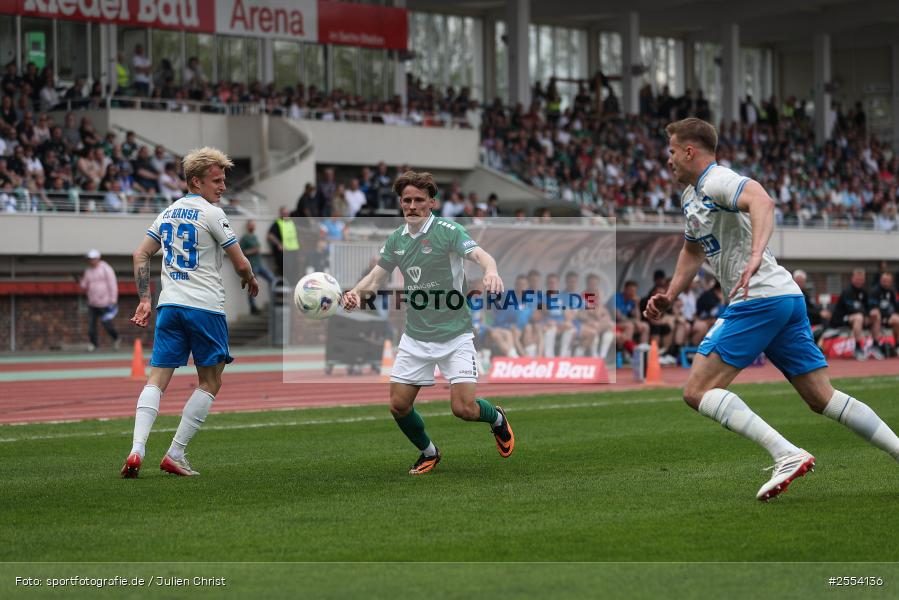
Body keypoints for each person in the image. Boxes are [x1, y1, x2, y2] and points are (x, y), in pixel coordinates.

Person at [644, 118, 899, 501]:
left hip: (759, 297)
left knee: (697, 390)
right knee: (821, 397)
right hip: (783, 298)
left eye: (671, 152)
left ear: (689, 151)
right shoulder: (689, 197)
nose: (668, 161)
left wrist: (756, 253)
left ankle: (786, 454)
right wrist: (671, 293)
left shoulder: (716, 180)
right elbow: (693, 250)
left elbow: (761, 199)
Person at [342, 170, 514, 475]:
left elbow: (481, 255)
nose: (411, 205)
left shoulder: (449, 231)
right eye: (406, 200)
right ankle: (429, 452)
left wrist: (491, 271)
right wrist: (356, 293)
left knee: (464, 409)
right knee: (398, 405)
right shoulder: (396, 239)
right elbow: (375, 277)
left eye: (419, 200)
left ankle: (497, 418)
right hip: (416, 337)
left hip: (455, 335)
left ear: (431, 203)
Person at [121, 147, 258, 479]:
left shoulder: (167, 213)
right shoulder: (211, 213)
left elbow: (141, 254)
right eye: (216, 180)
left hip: (169, 306)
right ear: (196, 181)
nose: (222, 187)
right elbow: (240, 261)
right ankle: (175, 454)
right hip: (205, 308)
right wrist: (250, 279)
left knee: (157, 378)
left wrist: (143, 299)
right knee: (210, 381)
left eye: (224, 180)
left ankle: (136, 450)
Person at [829, 268, 882, 361]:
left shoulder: (864, 292)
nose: (859, 281)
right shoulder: (847, 292)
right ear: (852, 278)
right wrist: (865, 315)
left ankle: (875, 345)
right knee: (859, 317)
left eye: (861, 280)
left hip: (860, 318)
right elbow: (852, 309)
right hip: (842, 319)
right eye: (857, 279)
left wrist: (872, 312)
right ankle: (858, 347)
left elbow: (868, 307)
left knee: (876, 316)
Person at [78, 249, 120, 351]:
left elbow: (112, 284)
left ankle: (116, 338)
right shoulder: (88, 271)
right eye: (89, 259)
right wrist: (79, 281)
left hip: (105, 303)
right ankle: (93, 344)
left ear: (98, 258)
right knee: (91, 325)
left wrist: (113, 299)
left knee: (107, 324)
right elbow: (85, 285)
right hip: (92, 303)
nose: (91, 261)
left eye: (92, 259)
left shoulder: (106, 269)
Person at [239, 220, 276, 314]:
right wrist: (253, 250)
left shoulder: (255, 237)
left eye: (254, 226)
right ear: (248, 227)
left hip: (259, 264)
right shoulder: (245, 238)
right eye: (251, 225)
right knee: (252, 286)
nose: (253, 227)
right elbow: (241, 253)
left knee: (272, 279)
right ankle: (253, 307)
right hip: (251, 266)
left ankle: (273, 301)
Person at [870, 271, 899, 357]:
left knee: (897, 319)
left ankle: (897, 345)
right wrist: (887, 316)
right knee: (876, 314)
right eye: (884, 280)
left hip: (888, 318)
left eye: (888, 281)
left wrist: (894, 314)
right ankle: (875, 344)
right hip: (876, 318)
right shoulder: (875, 291)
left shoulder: (891, 292)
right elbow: (872, 307)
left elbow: (895, 306)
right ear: (880, 280)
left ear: (891, 282)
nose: (886, 282)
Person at [267, 206, 300, 279]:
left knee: (295, 270)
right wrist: (278, 244)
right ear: (281, 214)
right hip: (284, 252)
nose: (286, 215)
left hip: (294, 249)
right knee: (286, 270)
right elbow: (270, 236)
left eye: (287, 213)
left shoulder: (292, 222)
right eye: (284, 213)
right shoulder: (277, 223)